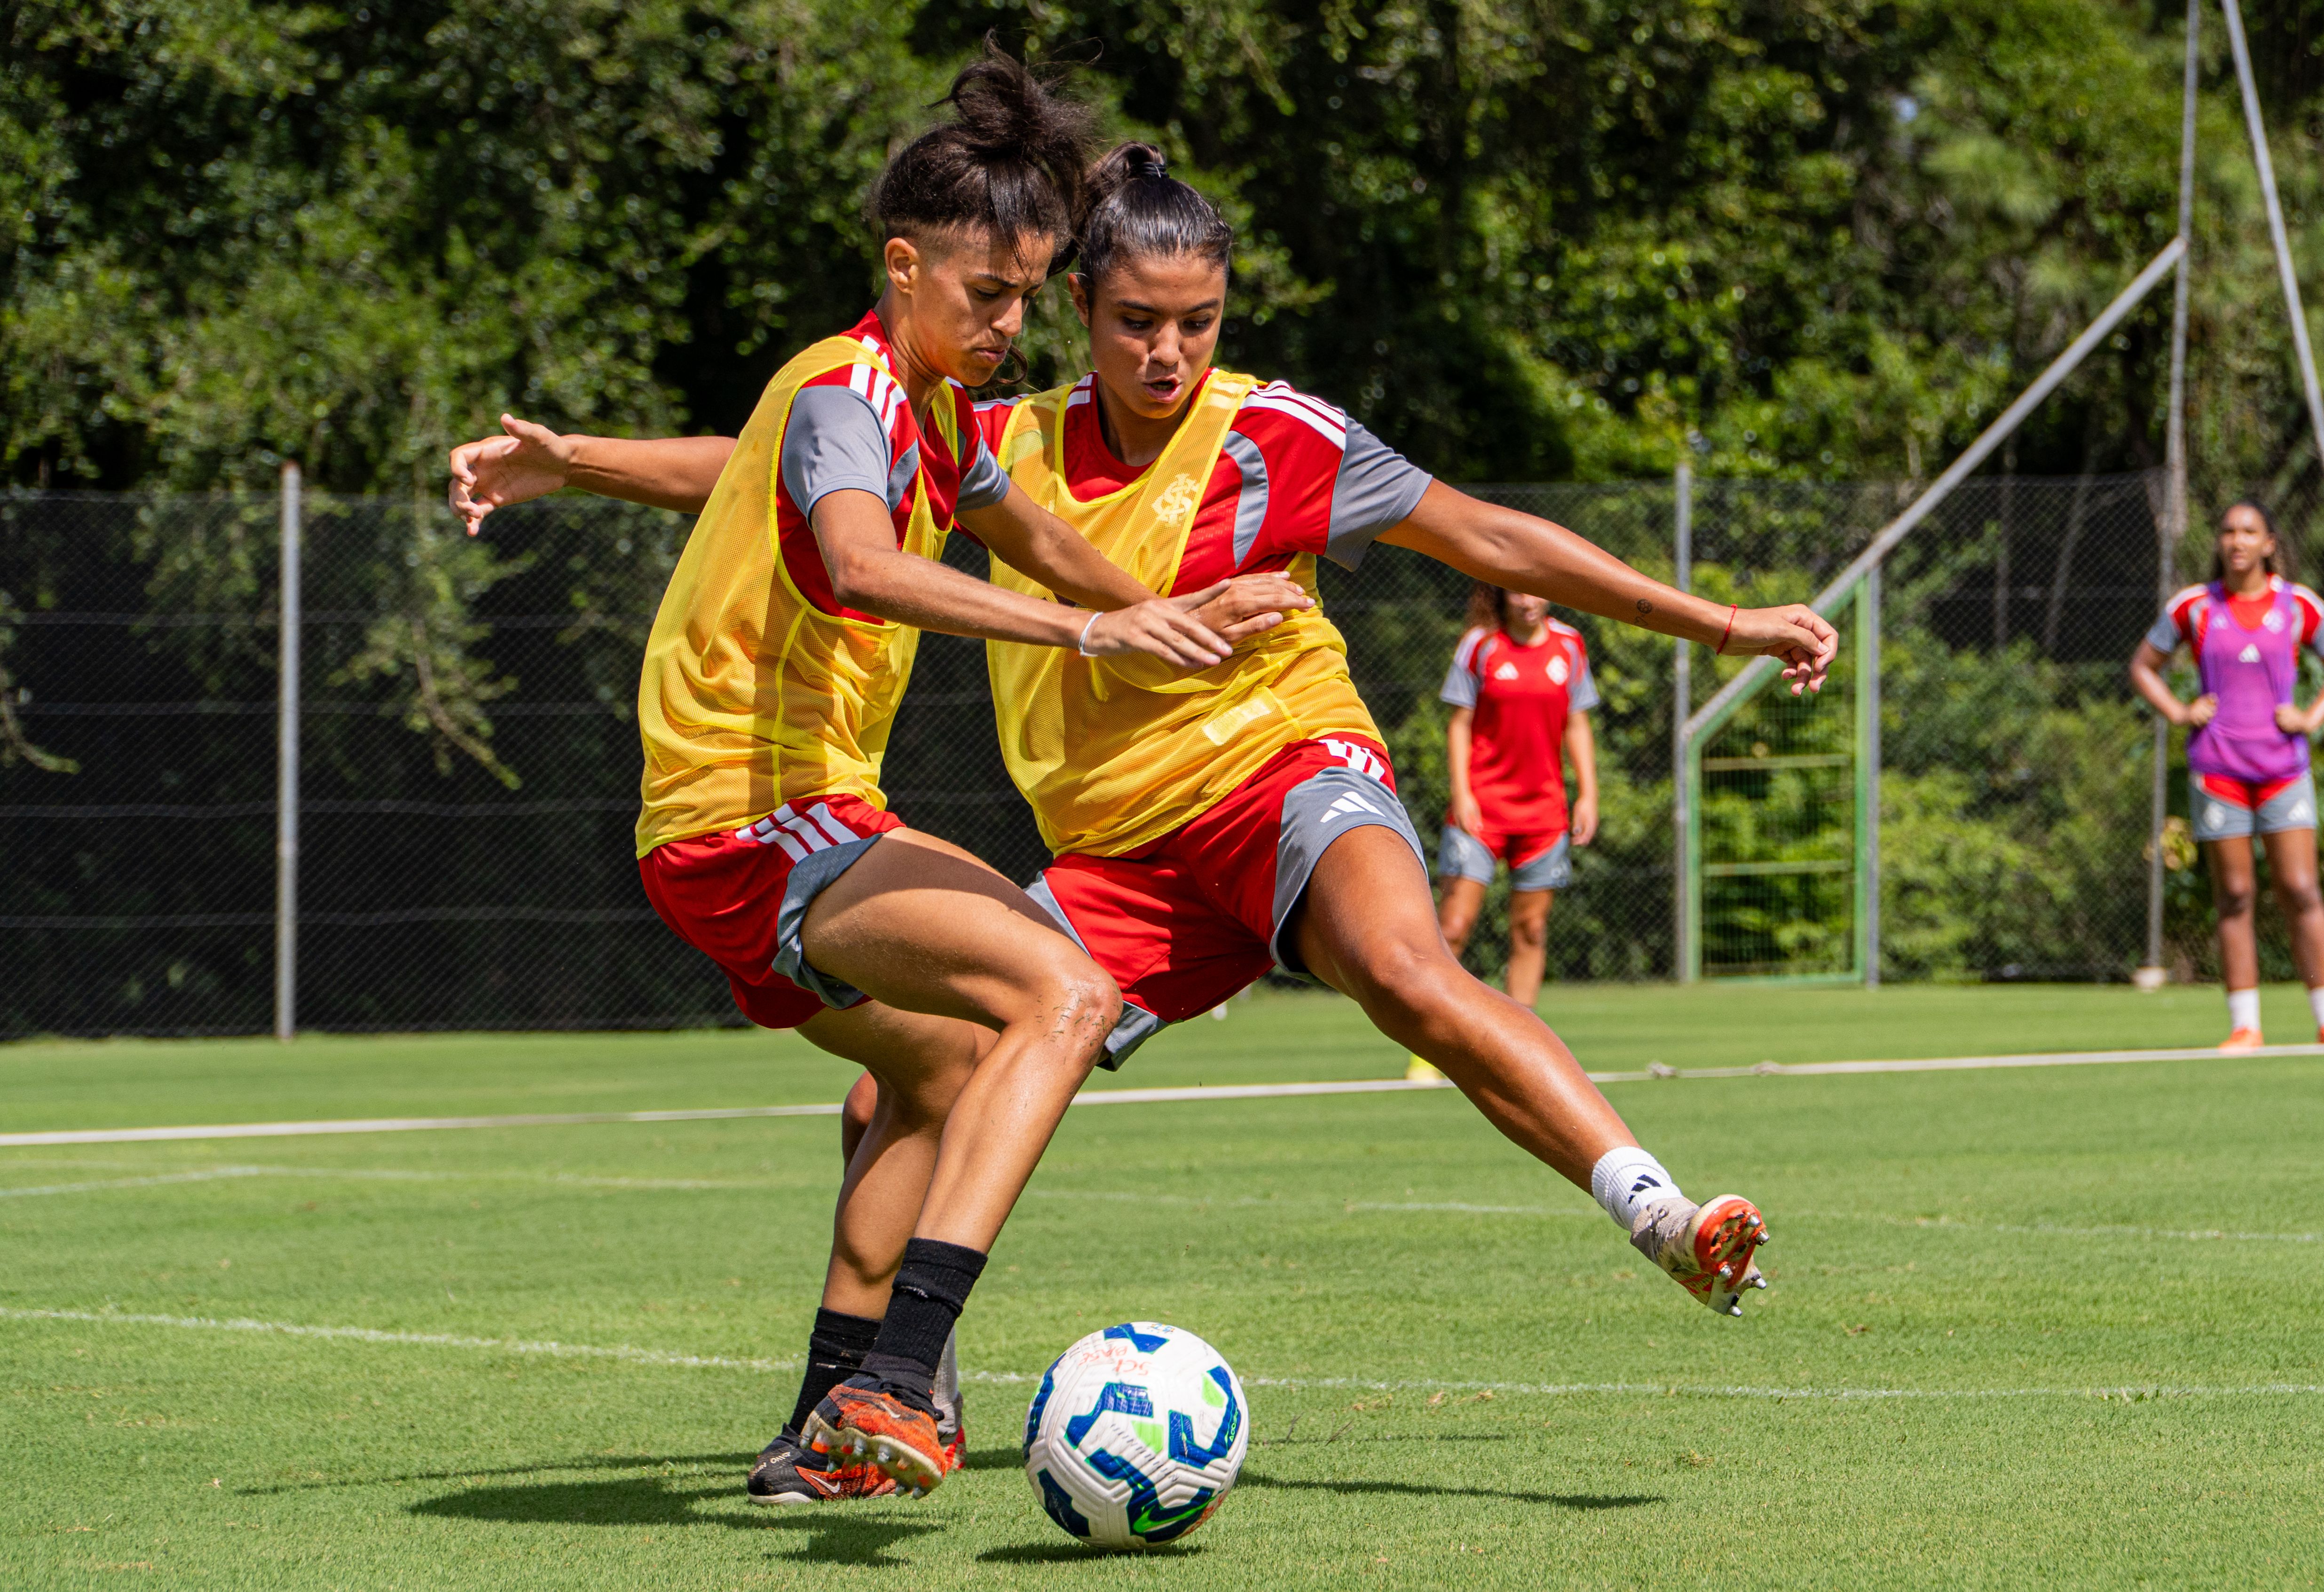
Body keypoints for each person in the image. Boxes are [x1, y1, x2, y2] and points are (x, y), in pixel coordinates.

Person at [500, 141, 1838, 1504]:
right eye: (1134, 321)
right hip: (1113, 850)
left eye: (1195, 323)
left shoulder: (1282, 433)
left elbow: (1492, 539)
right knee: (905, 1088)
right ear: (1079, 306)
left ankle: (1656, 1210)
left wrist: (1719, 623)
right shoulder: (983, 425)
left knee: (1399, 967)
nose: (1166, 351)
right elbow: (779, 471)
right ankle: (868, 1404)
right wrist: (582, 463)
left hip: (1277, 773)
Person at [448, 56, 1303, 1505]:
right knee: (1068, 990)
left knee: (947, 1062)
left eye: (1030, 294)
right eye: (987, 292)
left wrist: (1175, 615)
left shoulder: (929, 411)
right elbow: (857, 557)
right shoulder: (847, 388)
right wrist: (1098, 629)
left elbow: (1011, 533)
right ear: (901, 267)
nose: (1011, 323)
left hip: (787, 820)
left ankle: (824, 1425)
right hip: (753, 814)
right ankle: (905, 1378)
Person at [2130, 498, 2324, 1050]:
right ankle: (2244, 1025)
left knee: (2301, 887)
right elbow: (2144, 666)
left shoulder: (2297, 605)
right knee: (2235, 893)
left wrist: (2309, 716)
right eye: (2228, 531)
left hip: (2284, 768)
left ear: (2269, 543)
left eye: (2249, 531)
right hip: (2219, 770)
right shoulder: (2195, 607)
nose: (2236, 541)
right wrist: (2180, 711)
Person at [1434, 585, 1602, 1004]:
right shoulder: (1480, 645)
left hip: (1543, 815)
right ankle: (1430, 1050)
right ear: (1501, 596)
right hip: (1481, 811)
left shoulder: (1570, 644)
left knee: (1530, 930)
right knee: (1453, 927)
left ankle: (1518, 1051)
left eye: (1537, 591)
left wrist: (1588, 795)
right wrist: (1463, 794)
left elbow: (1576, 723)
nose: (1528, 601)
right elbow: (1459, 724)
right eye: (1517, 593)